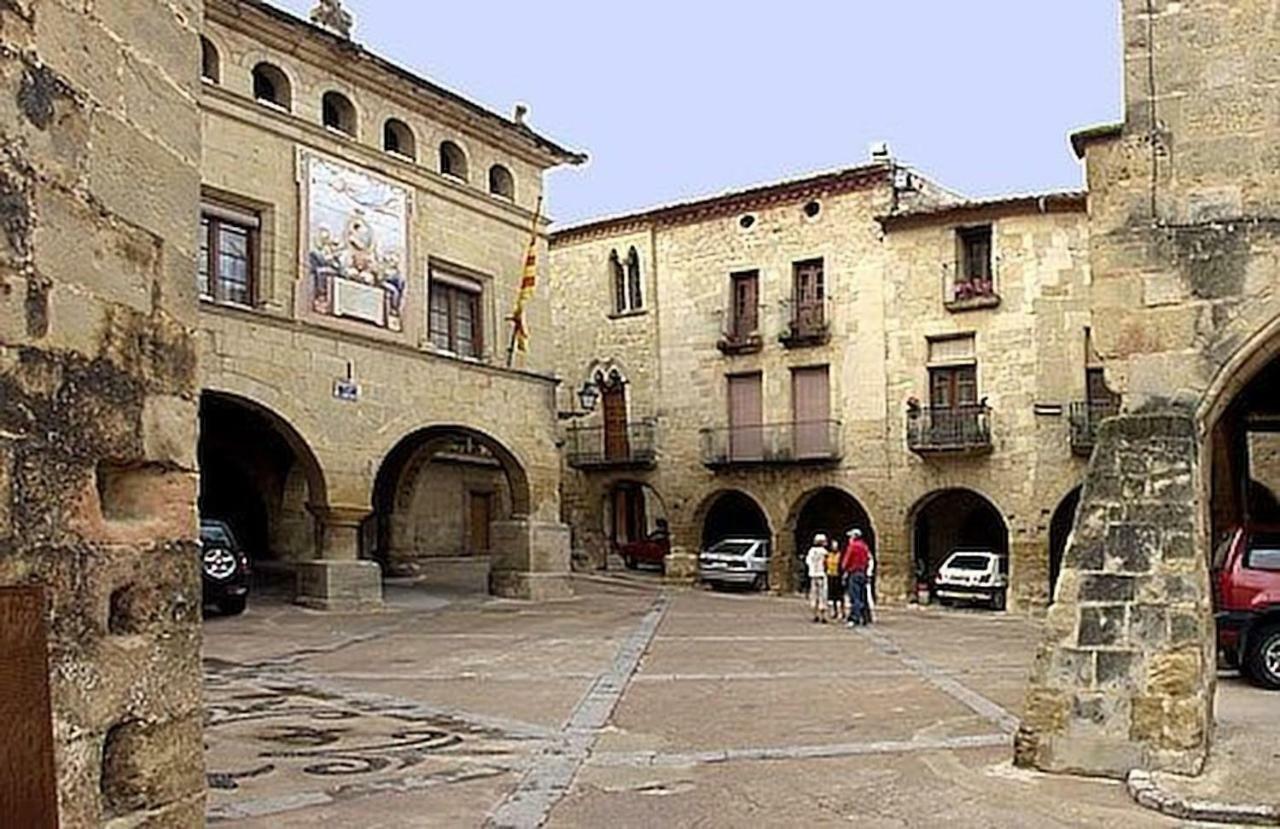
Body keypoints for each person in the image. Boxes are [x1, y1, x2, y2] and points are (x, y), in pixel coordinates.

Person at [841, 528, 871, 627]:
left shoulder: (852, 546)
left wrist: (844, 568)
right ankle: (865, 617)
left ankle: (855, 618)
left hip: (854, 573)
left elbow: (847, 560)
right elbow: (867, 560)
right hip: (862, 573)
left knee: (855, 596)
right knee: (863, 595)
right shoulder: (864, 546)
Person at [805, 533, 829, 623]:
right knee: (823, 595)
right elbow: (826, 564)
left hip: (812, 575)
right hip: (822, 575)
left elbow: (808, 562)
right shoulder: (824, 552)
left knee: (814, 595)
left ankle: (815, 615)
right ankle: (823, 616)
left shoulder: (811, 551)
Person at [825, 538, 843, 620]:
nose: (834, 547)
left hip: (838, 576)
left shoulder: (840, 555)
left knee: (839, 596)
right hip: (830, 576)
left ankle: (841, 612)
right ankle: (833, 611)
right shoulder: (828, 555)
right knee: (831, 596)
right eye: (833, 545)